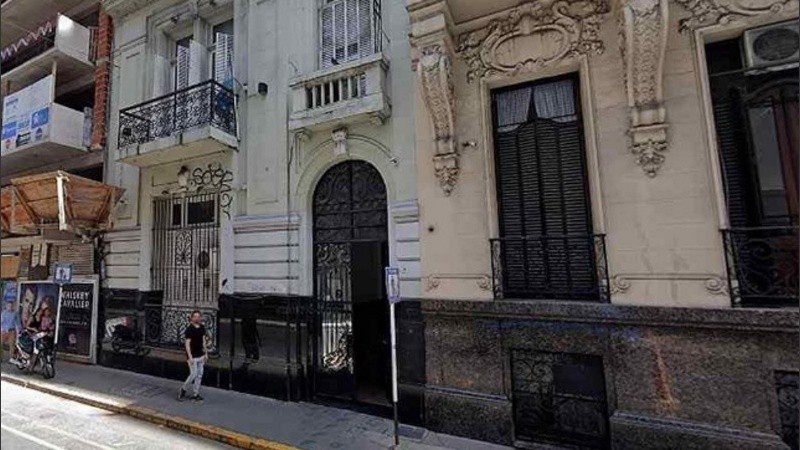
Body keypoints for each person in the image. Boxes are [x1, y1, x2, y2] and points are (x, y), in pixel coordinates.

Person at [178, 311, 207, 401]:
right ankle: (183, 389)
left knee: (199, 374)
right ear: (192, 318)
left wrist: (206, 353)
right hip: (193, 356)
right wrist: (190, 357)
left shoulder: (202, 327)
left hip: (200, 355)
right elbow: (187, 344)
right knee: (193, 374)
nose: (197, 318)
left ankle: (196, 393)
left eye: (198, 317)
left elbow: (203, 341)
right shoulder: (189, 329)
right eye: (195, 317)